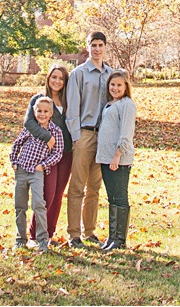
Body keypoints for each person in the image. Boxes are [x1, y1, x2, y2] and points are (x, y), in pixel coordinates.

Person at [65, 31, 114, 247]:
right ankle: (74, 233)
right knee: (77, 186)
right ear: (88, 47)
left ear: (105, 47)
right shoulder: (79, 73)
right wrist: (76, 137)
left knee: (94, 187)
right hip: (84, 134)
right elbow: (72, 107)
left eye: (100, 45)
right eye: (93, 45)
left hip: (104, 136)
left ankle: (89, 231)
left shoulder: (111, 75)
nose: (97, 49)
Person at [23, 65, 72, 245]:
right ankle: (35, 235)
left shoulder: (68, 101)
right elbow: (28, 123)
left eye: (61, 78)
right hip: (45, 155)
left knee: (58, 195)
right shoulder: (39, 99)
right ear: (48, 78)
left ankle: (48, 235)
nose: (57, 81)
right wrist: (48, 138)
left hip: (66, 153)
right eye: (54, 77)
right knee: (46, 195)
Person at [10, 96, 64, 254]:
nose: (42, 114)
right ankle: (20, 239)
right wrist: (14, 161)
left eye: (46, 111)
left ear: (51, 113)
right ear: (34, 112)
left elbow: (58, 153)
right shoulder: (30, 129)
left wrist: (43, 166)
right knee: (20, 205)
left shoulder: (55, 131)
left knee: (39, 205)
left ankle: (42, 240)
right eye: (39, 111)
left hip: (36, 172)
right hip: (21, 170)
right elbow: (17, 144)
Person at [96, 70, 137, 251]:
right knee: (111, 197)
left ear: (126, 86)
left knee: (120, 197)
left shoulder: (127, 104)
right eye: (112, 85)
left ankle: (120, 240)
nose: (115, 88)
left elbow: (126, 132)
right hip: (105, 157)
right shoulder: (110, 104)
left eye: (119, 85)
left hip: (118, 158)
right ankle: (111, 238)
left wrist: (118, 154)